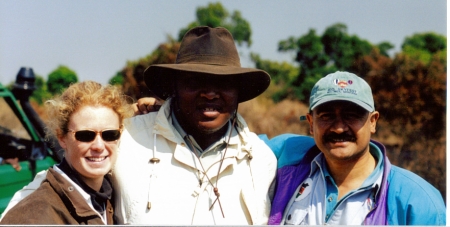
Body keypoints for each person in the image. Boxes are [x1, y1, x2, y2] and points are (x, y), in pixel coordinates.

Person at [1, 26, 277, 225]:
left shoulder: (260, 158)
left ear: (239, 93)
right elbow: (59, 185)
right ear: (175, 89)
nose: (210, 93)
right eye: (195, 82)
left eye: (224, 84)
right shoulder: (126, 138)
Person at [265, 71, 446, 225]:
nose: (339, 128)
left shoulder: (415, 202)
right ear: (311, 123)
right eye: (326, 116)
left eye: (352, 116)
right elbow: (243, 145)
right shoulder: (289, 157)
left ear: (373, 122)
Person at [0, 81, 134, 224]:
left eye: (110, 134)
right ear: (62, 138)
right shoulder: (34, 216)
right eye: (85, 135)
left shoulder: (108, 197)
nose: (99, 146)